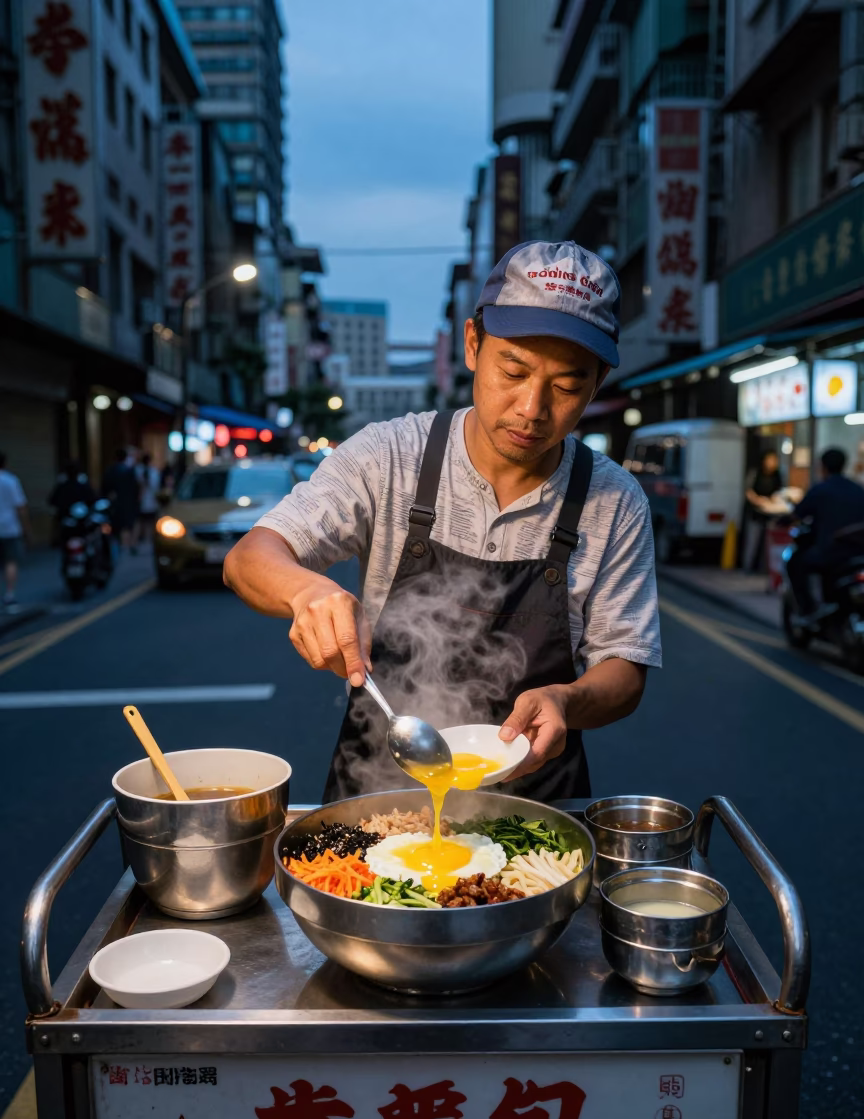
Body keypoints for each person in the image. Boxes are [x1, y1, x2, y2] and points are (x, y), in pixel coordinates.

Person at [224, 241, 662, 803]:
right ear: (473, 345)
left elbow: (625, 669)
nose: (532, 407)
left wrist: (567, 701)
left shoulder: (615, 499)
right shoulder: (389, 455)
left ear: (597, 383)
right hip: (379, 785)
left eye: (567, 385)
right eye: (514, 369)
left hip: (536, 801)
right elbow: (249, 559)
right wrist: (305, 590)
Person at [786, 447, 864, 619]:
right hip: (858, 552)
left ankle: (808, 609)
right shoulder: (858, 489)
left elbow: (796, 514)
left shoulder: (820, 490)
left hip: (830, 552)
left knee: (796, 563)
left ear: (822, 467)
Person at [743, 449, 784, 573]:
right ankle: (748, 567)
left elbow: (779, 492)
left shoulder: (777, 474)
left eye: (774, 460)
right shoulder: (756, 473)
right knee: (753, 541)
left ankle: (766, 569)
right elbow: (748, 491)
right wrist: (758, 500)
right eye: (770, 460)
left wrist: (772, 500)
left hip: (770, 512)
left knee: (768, 542)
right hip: (755, 512)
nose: (772, 463)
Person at [0, 451, 30, 609]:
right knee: (10, 561)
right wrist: (26, 528)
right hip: (9, 527)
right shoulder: (11, 481)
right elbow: (20, 507)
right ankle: (9, 594)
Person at [102, 447, 140, 553]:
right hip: (127, 503)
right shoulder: (128, 471)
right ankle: (129, 545)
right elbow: (135, 489)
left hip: (116, 504)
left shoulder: (111, 471)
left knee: (118, 526)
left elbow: (105, 489)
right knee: (128, 525)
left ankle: (123, 545)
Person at [136, 453, 161, 546]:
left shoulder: (140, 471)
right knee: (146, 522)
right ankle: (146, 539)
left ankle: (147, 539)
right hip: (146, 501)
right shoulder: (152, 472)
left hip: (146, 501)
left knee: (145, 522)